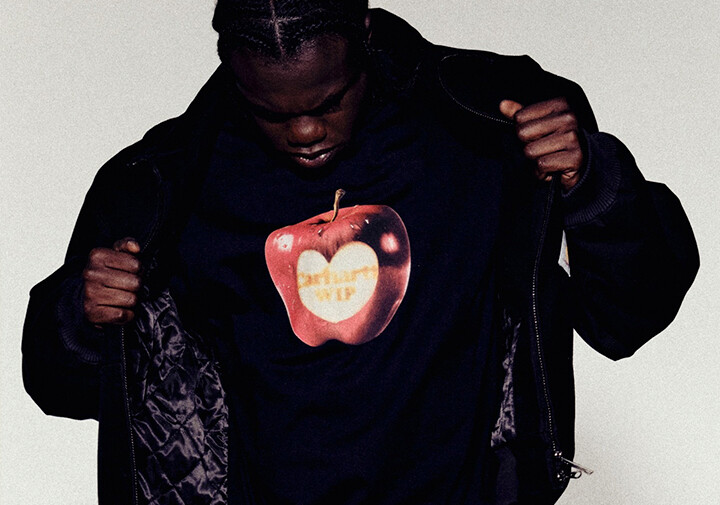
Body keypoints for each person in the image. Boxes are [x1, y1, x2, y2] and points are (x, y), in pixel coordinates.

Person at [22, 1, 699, 504]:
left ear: (364, 35)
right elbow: (62, 388)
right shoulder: (159, 186)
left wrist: (592, 184)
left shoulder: (486, 129)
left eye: (329, 101)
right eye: (272, 112)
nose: (305, 131)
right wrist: (83, 318)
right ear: (229, 67)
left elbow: (630, 316)